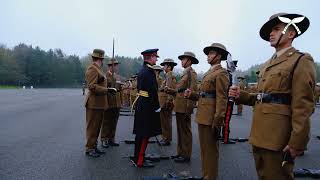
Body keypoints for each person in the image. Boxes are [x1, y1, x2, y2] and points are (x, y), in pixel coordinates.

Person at [229, 13, 316, 180]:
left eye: (276, 29)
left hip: (279, 138)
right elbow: (261, 97)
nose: (271, 33)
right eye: (270, 30)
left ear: (291, 34)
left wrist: (297, 142)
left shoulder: (301, 60)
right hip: (259, 134)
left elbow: (303, 106)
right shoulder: (267, 64)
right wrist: (241, 95)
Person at [185, 43, 230, 180]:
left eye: (211, 53)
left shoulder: (221, 73)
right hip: (203, 115)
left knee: (210, 152)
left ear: (219, 56)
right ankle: (206, 175)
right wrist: (192, 94)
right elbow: (203, 94)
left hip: (211, 117)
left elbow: (222, 98)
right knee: (204, 150)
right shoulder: (209, 72)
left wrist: (218, 121)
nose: (208, 56)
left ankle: (210, 177)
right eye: (208, 53)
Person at [131, 49, 162, 168]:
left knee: (141, 133)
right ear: (149, 57)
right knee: (144, 134)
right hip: (147, 105)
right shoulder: (148, 72)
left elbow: (140, 89)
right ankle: (139, 160)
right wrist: (157, 106)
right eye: (155, 57)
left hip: (143, 103)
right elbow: (152, 91)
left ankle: (138, 157)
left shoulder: (143, 70)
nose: (156, 59)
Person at [165, 51, 198, 163]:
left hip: (185, 107)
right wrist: (171, 91)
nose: (181, 61)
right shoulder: (185, 73)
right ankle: (180, 152)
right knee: (179, 131)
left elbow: (193, 91)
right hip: (179, 106)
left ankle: (186, 154)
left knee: (185, 131)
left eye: (183, 59)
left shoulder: (191, 73)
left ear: (189, 60)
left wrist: (189, 108)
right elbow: (180, 91)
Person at [84, 49, 109, 158]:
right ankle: (89, 148)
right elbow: (92, 86)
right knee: (92, 127)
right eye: (102, 58)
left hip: (99, 103)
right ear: (100, 59)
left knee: (97, 127)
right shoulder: (92, 69)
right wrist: (106, 90)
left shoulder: (99, 69)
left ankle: (94, 146)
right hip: (93, 103)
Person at [100, 58, 122, 147]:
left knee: (114, 122)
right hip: (109, 101)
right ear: (110, 66)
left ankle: (111, 139)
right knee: (106, 122)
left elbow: (118, 89)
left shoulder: (117, 76)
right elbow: (105, 87)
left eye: (117, 65)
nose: (116, 67)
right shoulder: (105, 75)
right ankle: (104, 139)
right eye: (115, 65)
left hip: (117, 102)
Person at [158, 58, 177, 146]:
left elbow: (169, 90)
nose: (163, 67)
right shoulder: (167, 76)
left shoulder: (170, 76)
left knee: (166, 122)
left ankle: (166, 139)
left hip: (166, 102)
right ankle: (165, 137)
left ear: (169, 67)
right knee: (164, 121)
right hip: (163, 102)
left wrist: (169, 101)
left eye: (165, 65)